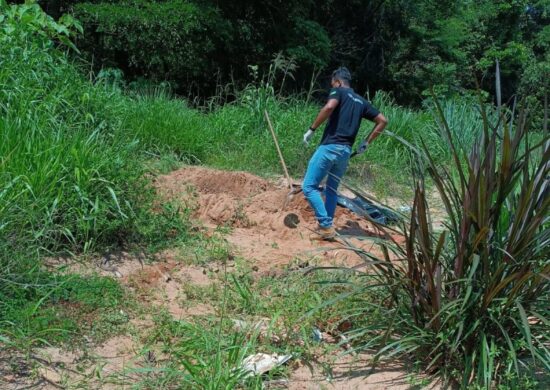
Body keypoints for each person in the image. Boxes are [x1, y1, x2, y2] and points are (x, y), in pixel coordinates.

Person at [302, 67, 387, 240]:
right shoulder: (361, 101)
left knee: (308, 187)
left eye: (332, 83)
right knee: (331, 189)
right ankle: (326, 228)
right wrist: (366, 142)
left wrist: (312, 129)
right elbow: (383, 120)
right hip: (345, 152)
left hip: (330, 147)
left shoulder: (338, 91)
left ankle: (325, 226)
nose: (331, 87)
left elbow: (329, 107)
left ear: (338, 82)